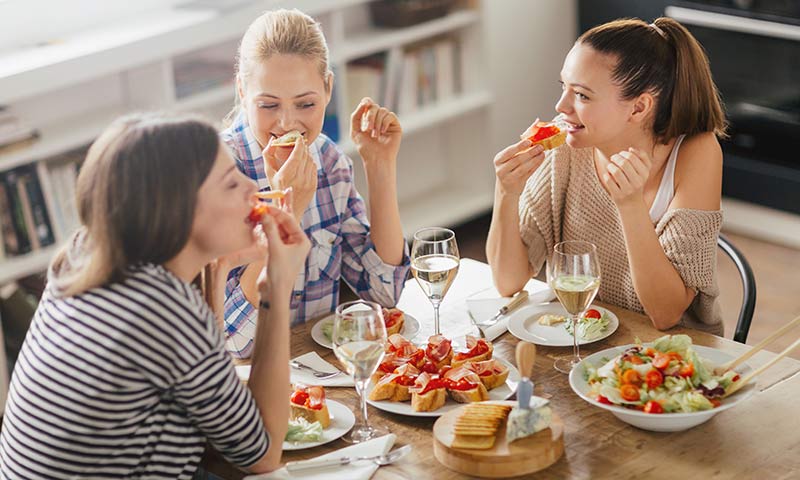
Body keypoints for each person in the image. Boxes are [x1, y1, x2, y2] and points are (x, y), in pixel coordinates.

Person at [0, 113, 311, 478]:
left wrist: (218, 265)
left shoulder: (83, 256)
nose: (251, 187)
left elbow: (204, 379)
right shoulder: (165, 310)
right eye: (230, 183)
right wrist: (276, 284)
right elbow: (261, 453)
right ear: (177, 210)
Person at [487, 17, 727, 334]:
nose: (562, 106)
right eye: (564, 88)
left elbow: (666, 314)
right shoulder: (565, 146)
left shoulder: (696, 153)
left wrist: (629, 204)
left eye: (583, 96)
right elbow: (508, 282)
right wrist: (506, 192)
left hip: (668, 355)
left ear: (639, 108)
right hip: (581, 335)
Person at [222, 8, 410, 358]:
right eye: (268, 104)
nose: (287, 123)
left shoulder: (329, 161)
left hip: (317, 372)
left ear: (328, 89)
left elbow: (383, 293)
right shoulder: (218, 176)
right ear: (242, 91)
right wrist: (286, 209)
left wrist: (379, 166)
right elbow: (236, 342)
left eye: (305, 103)